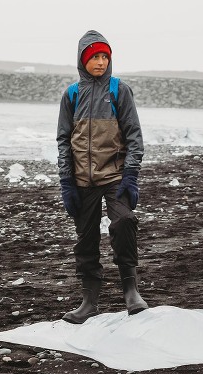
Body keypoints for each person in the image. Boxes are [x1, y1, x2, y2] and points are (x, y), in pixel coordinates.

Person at [56, 30, 148, 323]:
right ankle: (89, 301)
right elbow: (63, 139)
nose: (100, 62)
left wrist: (131, 176)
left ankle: (131, 291)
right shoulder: (71, 94)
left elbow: (134, 134)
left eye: (104, 56)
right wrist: (67, 182)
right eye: (94, 56)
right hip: (82, 181)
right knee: (86, 240)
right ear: (83, 60)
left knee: (124, 222)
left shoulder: (119, 90)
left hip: (115, 176)